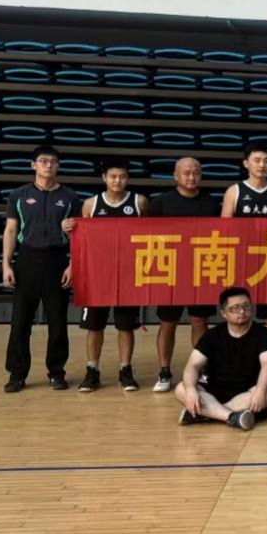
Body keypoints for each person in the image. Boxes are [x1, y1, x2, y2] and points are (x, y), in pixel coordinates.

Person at [2, 145, 80, 393]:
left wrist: (73, 264)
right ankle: (17, 374)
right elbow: (11, 230)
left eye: (53, 161)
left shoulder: (70, 197)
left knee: (57, 321)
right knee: (20, 322)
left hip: (57, 260)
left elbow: (79, 235)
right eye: (43, 161)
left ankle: (56, 372)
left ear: (58, 166)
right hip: (27, 260)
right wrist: (6, 264)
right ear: (33, 165)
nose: (48, 165)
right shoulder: (19, 195)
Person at [77, 157, 149, 393]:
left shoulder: (139, 202)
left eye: (122, 176)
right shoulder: (91, 204)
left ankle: (125, 371)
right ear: (104, 178)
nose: (118, 180)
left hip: (128, 274)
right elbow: (82, 240)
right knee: (94, 326)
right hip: (98, 274)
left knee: (125, 326)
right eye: (113, 176)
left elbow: (150, 237)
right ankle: (92, 372)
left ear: (128, 178)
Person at [147, 157, 218, 393]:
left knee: (200, 321)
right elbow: (146, 237)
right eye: (186, 173)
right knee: (168, 322)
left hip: (201, 270)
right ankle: (164, 371)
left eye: (196, 172)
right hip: (170, 272)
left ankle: (201, 370)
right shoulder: (161, 203)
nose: (191, 177)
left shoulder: (210, 203)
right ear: (175, 176)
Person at [221, 143, 267, 368]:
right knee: (239, 315)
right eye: (257, 160)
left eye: (266, 161)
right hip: (242, 263)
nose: (262, 165)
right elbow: (224, 228)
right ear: (246, 163)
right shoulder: (235, 191)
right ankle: (239, 362)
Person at [174, 287, 267, 431]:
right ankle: (232, 417)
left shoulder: (264, 334)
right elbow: (193, 365)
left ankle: (206, 414)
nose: (242, 311)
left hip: (247, 392)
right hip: (214, 391)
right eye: (235, 308)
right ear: (224, 313)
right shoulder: (212, 335)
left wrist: (260, 391)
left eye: (246, 306)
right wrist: (191, 389)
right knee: (181, 388)